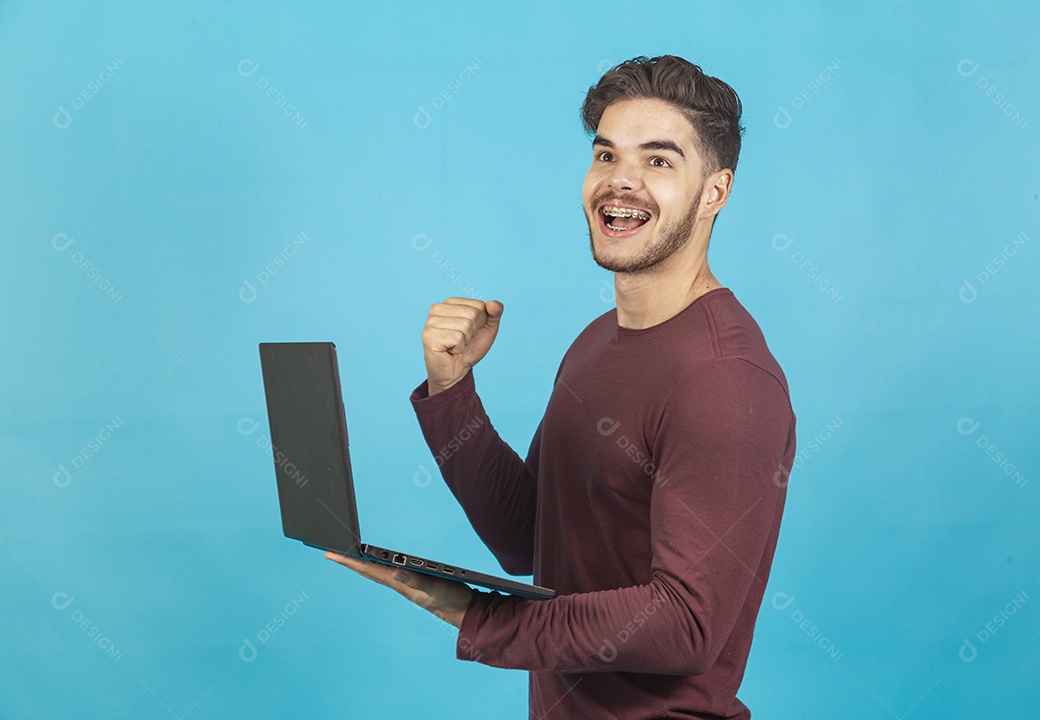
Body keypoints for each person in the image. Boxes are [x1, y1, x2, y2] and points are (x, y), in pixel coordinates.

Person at [327, 55, 797, 719]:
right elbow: (528, 538)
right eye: (607, 155)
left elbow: (688, 625)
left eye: (658, 161)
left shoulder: (725, 380)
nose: (621, 182)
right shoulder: (597, 340)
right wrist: (452, 386)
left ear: (715, 191)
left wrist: (478, 617)